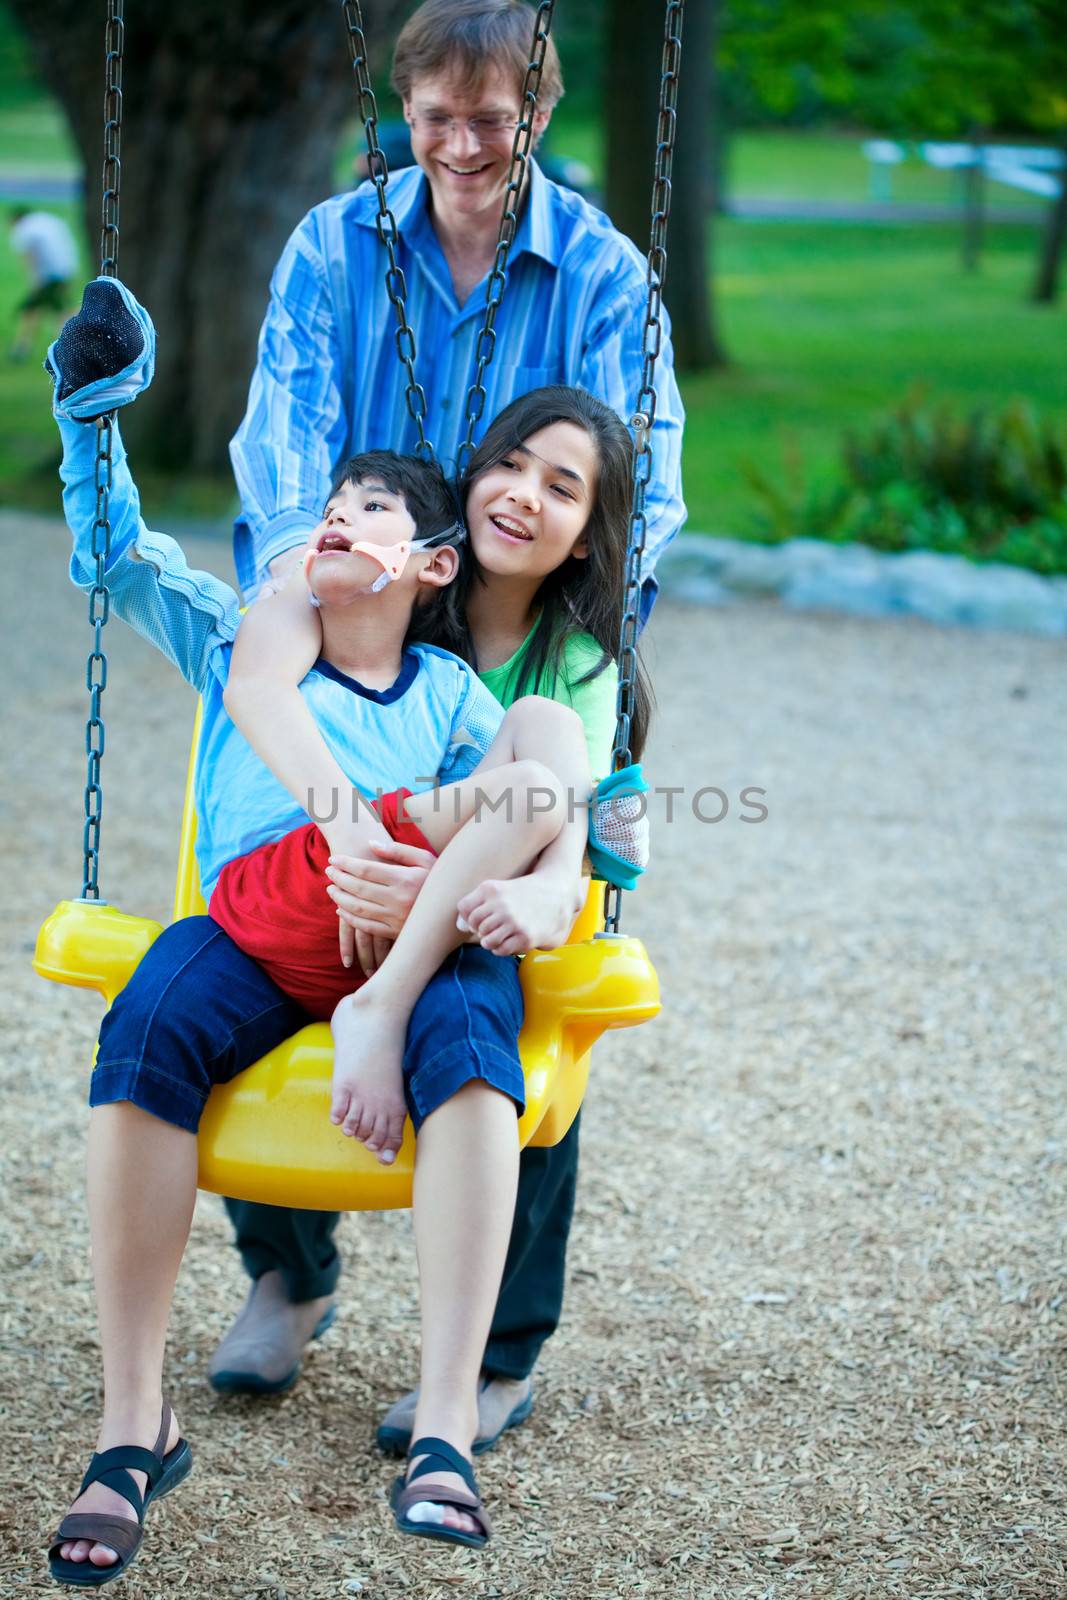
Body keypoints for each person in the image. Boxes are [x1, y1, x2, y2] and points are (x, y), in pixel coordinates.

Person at [43, 280, 612, 1580]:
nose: (335, 520)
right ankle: (136, 1422)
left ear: (427, 568)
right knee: (145, 1026)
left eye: (372, 508)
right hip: (257, 926)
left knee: (480, 1039)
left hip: (402, 958)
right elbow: (117, 555)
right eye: (326, 505)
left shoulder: (456, 697)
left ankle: (446, 1420)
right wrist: (90, 427)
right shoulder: (243, 633)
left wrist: (476, 877)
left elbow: (535, 792)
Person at [219, 0, 682, 1432]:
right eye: (438, 115)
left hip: (532, 629)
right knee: (279, 909)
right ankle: (287, 1270)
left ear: (534, 111)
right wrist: (333, 597)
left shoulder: (600, 271)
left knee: (531, 953)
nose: (466, 144)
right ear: (401, 108)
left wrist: (565, 661)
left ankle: (497, 1347)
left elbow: (631, 483)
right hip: (357, 619)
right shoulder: (329, 248)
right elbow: (282, 451)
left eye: (496, 116)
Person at [7, 206, 76, 361]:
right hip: (66, 268)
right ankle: (22, 347)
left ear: (14, 220)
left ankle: (69, 346)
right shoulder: (45, 220)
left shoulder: (23, 229)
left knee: (52, 311)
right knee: (36, 310)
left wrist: (35, 280)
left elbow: (29, 257)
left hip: (48, 275)